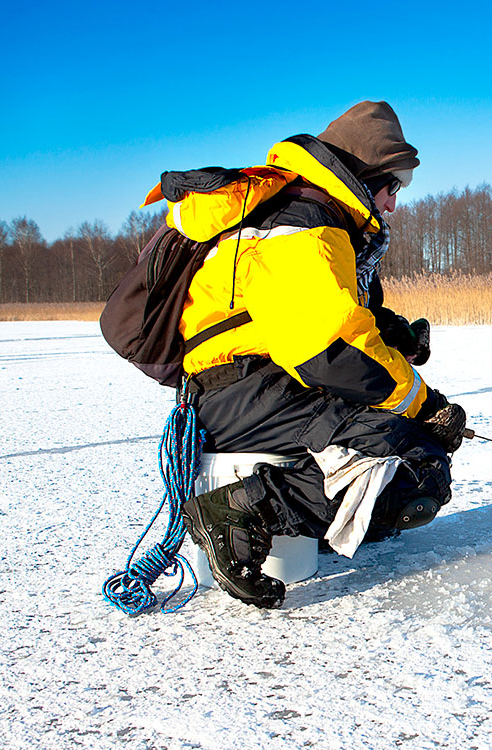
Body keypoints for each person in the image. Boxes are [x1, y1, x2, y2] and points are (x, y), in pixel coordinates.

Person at [172, 101, 466, 609]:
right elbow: (329, 351)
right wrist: (424, 404)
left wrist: (395, 335)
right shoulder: (303, 224)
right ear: (360, 173)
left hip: (257, 383)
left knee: (406, 444)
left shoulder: (309, 216)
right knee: (417, 463)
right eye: (393, 184)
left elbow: (329, 315)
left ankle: (324, 520)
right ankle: (242, 511)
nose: (394, 202)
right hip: (248, 390)